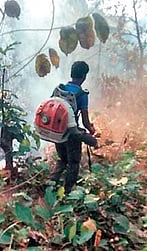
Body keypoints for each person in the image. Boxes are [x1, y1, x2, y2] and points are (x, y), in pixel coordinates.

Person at [49, 61, 97, 194]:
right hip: (72, 134)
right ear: (84, 76)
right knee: (74, 163)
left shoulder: (59, 89)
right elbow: (86, 122)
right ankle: (68, 192)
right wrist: (92, 130)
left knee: (62, 159)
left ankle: (51, 184)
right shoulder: (82, 94)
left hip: (57, 131)